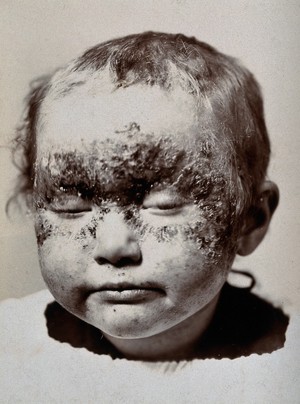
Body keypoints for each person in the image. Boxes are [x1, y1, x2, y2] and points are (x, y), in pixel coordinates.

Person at [1, 32, 296, 402]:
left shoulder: (285, 371)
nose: (113, 246)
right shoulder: (10, 356)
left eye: (163, 203)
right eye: (71, 206)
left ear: (251, 219)